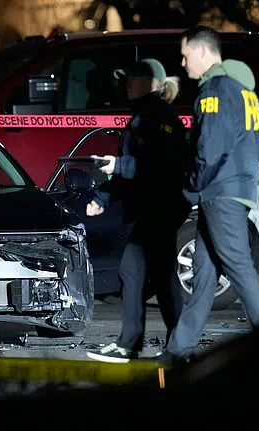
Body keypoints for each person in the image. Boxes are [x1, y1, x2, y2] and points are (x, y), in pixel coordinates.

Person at [160, 26, 259, 364]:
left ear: (202, 51)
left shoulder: (215, 90)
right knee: (204, 273)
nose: (183, 63)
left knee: (238, 266)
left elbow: (210, 148)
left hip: (219, 191)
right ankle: (178, 349)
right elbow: (255, 142)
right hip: (233, 188)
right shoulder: (244, 92)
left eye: (185, 55)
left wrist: (189, 188)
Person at [85, 58, 190, 363]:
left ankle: (135, 344)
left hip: (160, 207)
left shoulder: (157, 117)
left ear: (151, 83)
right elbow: (133, 172)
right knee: (157, 276)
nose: (127, 84)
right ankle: (173, 346)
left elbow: (160, 167)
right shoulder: (144, 115)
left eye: (133, 78)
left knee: (137, 272)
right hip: (152, 208)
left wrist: (118, 165)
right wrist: (103, 197)